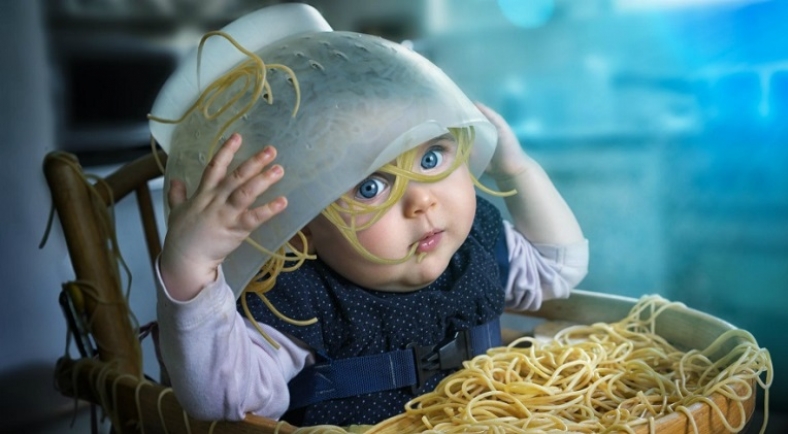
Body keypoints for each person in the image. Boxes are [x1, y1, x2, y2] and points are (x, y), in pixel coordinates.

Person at [150, 3, 588, 428]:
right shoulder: (301, 301)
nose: (422, 202)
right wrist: (191, 266)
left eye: (432, 157)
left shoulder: (474, 244)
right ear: (301, 231)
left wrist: (518, 169)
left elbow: (558, 269)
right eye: (370, 187)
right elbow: (224, 398)